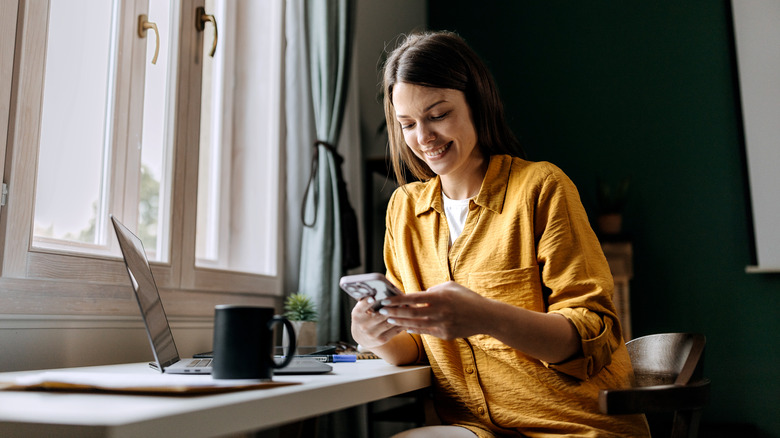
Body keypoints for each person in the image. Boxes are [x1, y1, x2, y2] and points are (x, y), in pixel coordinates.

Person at [350, 31, 651, 438]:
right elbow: (414, 345)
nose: (423, 138)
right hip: (476, 430)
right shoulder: (404, 210)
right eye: (407, 124)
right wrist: (375, 334)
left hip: (574, 428)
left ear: (477, 103)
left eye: (438, 115)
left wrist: (484, 315)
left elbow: (592, 336)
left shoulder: (541, 187)